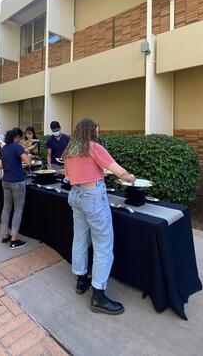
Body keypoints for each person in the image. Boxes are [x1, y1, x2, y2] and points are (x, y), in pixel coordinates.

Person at [63, 118, 136, 315]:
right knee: (103, 244)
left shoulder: (70, 150)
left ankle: (81, 281)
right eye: (96, 128)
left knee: (80, 238)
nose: (98, 131)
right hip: (92, 197)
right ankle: (98, 296)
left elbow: (68, 175)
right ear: (90, 131)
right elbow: (117, 170)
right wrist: (130, 178)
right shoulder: (94, 147)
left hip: (75, 195)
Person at [0, 128, 32, 249]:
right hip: (17, 181)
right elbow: (28, 162)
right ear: (16, 137)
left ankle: (4, 235)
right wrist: (28, 160)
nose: (20, 140)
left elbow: (1, 165)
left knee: (6, 208)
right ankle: (14, 239)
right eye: (20, 137)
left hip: (5, 181)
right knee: (18, 210)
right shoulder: (17, 147)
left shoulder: (3, 148)